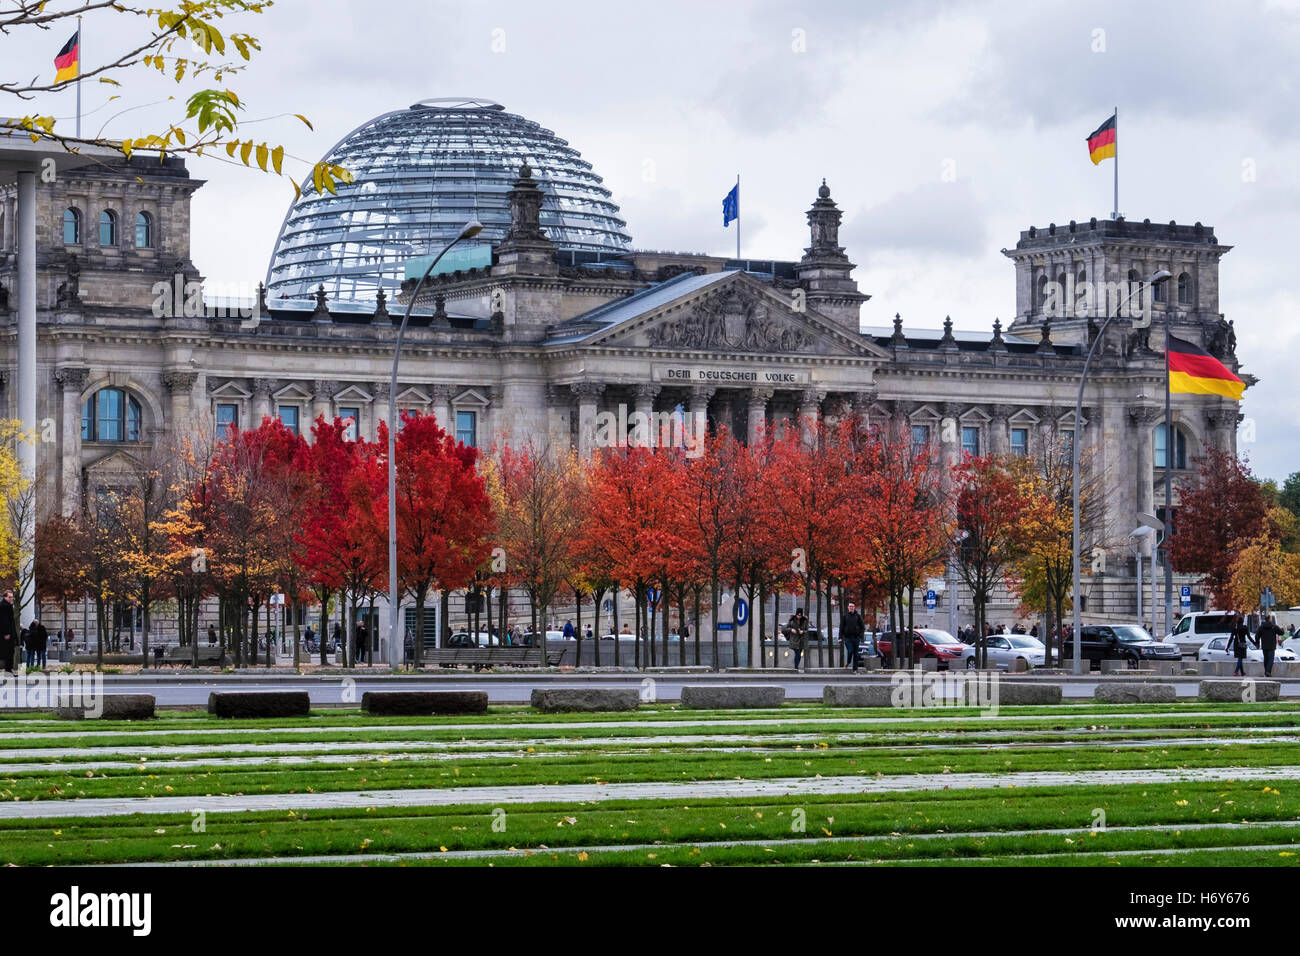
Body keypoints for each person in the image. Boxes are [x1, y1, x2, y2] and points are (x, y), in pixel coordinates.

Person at [839, 601, 866, 673]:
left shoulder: (858, 616)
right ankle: (848, 662)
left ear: (854, 607)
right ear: (848, 608)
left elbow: (863, 627)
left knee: (856, 654)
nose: (851, 608)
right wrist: (840, 637)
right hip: (847, 638)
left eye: (852, 606)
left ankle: (855, 669)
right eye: (850, 606)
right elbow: (841, 627)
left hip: (856, 638)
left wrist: (860, 635)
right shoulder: (845, 616)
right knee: (850, 651)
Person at [1256, 612, 1284, 678]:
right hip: (1271, 646)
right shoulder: (1274, 627)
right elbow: (1281, 633)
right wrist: (1282, 629)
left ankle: (1266, 672)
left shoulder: (1261, 627)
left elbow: (1257, 636)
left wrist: (1257, 643)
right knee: (1271, 659)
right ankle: (1268, 672)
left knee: (1266, 659)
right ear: (1270, 619)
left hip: (1264, 646)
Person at [1230, 611, 1251, 676]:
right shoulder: (1245, 628)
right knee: (1240, 658)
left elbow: (1231, 638)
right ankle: (1236, 671)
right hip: (1242, 644)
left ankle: (1242, 672)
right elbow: (1249, 637)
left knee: (1240, 657)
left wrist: (1228, 646)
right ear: (1242, 622)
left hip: (1236, 644)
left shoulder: (1235, 628)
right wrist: (1255, 643)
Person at [0, 589, 15, 673]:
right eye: (9, 597)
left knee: (8, 651)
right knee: (8, 651)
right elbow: (4, 620)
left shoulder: (6, 605)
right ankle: (8, 669)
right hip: (6, 633)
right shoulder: (6, 606)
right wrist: (7, 633)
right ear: (5, 597)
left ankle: (8, 668)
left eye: (12, 597)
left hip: (6, 632)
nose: (11, 599)